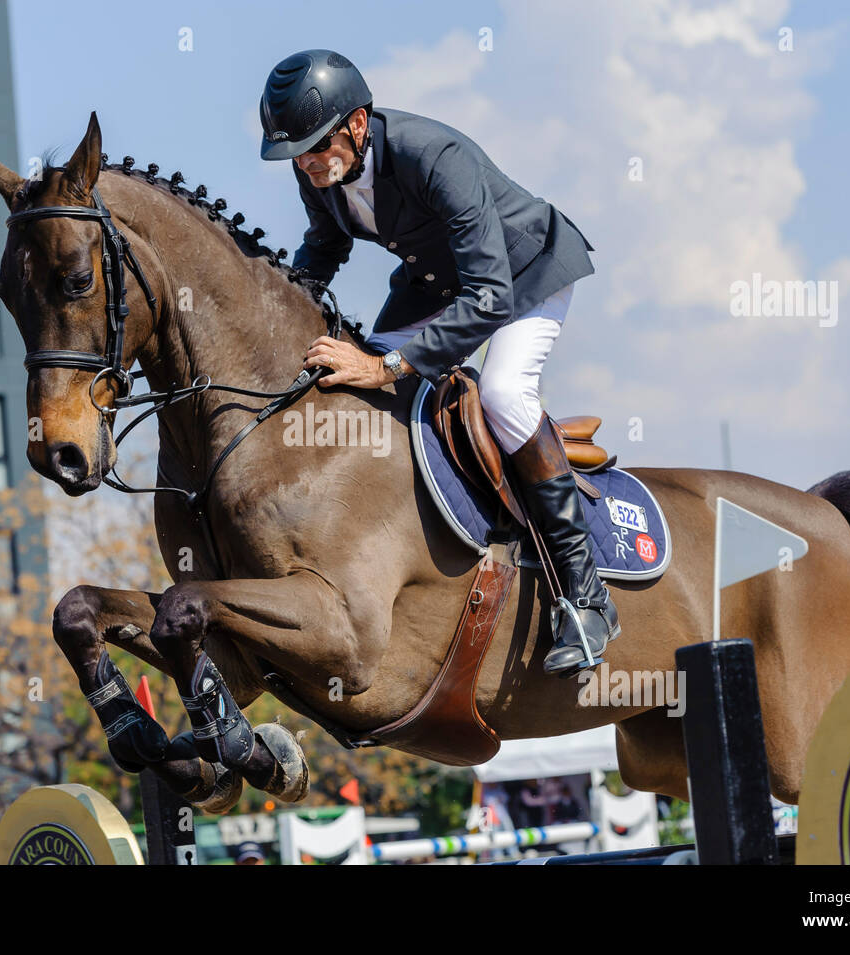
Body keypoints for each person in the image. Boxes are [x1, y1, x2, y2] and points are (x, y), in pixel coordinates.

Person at [260, 49, 619, 674]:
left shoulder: (434, 156)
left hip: (525, 275)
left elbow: (491, 297)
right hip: (439, 282)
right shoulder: (316, 167)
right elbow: (324, 245)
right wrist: (280, 310)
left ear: (357, 123)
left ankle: (585, 595)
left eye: (318, 147)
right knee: (353, 384)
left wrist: (390, 367)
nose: (309, 164)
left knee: (505, 394)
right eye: (297, 154)